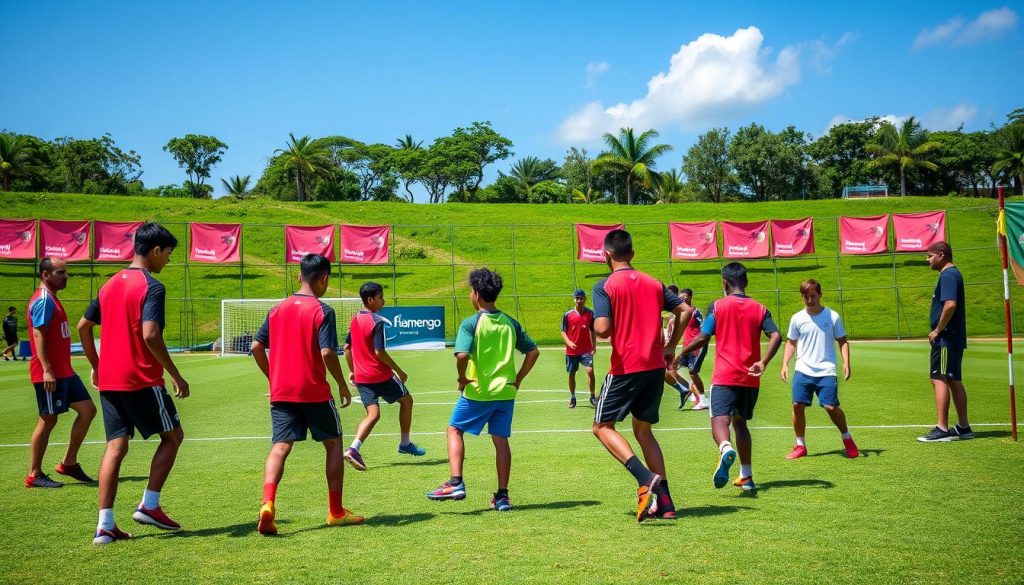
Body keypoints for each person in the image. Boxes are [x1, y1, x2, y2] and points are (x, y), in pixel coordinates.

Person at [78, 222, 190, 545]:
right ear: (155, 251)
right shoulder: (151, 287)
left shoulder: (109, 285)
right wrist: (174, 372)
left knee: (116, 446)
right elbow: (150, 334)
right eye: (168, 254)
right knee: (173, 436)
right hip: (141, 378)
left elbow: (84, 327)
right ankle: (149, 505)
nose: (168, 260)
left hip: (111, 381)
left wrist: (97, 368)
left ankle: (105, 525)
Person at [251, 254, 363, 535]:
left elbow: (255, 346)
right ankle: (336, 512)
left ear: (299, 276)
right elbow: (327, 351)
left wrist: (273, 378)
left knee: (280, 447)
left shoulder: (277, 309)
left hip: (282, 393)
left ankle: (267, 503)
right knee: (334, 444)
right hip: (313, 390)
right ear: (324, 278)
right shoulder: (323, 310)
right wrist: (341, 383)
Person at [591, 230, 692, 522]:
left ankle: (645, 478)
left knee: (601, 426)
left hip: (626, 367)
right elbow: (685, 310)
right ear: (632, 254)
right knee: (643, 431)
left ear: (606, 254)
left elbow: (601, 330)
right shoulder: (654, 283)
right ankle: (667, 503)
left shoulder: (605, 286)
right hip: (654, 368)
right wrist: (671, 347)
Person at [427, 268, 539, 512]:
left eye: (470, 291)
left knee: (454, 430)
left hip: (479, 391)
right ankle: (502, 496)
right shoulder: (510, 322)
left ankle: (456, 482)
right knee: (501, 441)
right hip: (506, 393)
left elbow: (462, 355)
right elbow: (533, 352)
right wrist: (518, 379)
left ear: (476, 294)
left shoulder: (471, 323)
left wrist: (462, 378)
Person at [680, 262, 781, 492]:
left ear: (724, 282)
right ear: (745, 282)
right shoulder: (760, 308)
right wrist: (763, 361)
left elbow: (704, 336)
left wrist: (681, 352)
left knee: (719, 420)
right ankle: (746, 477)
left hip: (725, 376)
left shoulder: (717, 306)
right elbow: (776, 335)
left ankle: (725, 447)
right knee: (741, 423)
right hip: (750, 378)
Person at [25, 257, 97, 488]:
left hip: (65, 371)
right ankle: (34, 474)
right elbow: (38, 334)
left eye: (65, 272)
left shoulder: (53, 299)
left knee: (87, 410)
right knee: (48, 419)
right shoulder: (44, 300)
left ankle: (68, 463)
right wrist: (47, 369)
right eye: (60, 273)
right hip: (50, 372)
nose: (66, 276)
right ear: (46, 275)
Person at [343, 281, 425, 471]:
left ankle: (354, 448)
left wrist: (353, 371)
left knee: (373, 414)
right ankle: (405, 443)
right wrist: (399, 370)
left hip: (363, 378)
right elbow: (380, 352)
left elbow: (347, 348)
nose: (384, 301)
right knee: (407, 401)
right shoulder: (376, 321)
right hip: (380, 376)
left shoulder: (354, 319)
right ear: (370, 300)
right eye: (380, 297)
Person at [779, 279, 858, 459]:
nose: (810, 300)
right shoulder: (797, 318)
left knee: (831, 407)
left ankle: (847, 438)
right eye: (806, 297)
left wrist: (846, 362)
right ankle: (800, 445)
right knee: (797, 405)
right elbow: (791, 342)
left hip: (826, 370)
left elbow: (842, 341)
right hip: (803, 369)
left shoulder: (832, 316)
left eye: (813, 296)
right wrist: (785, 364)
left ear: (820, 295)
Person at [918, 241, 972, 442]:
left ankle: (942, 428)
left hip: (945, 338)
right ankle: (963, 427)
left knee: (938, 377)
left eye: (929, 256)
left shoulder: (948, 275)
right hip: (954, 338)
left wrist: (937, 330)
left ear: (941, 255)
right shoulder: (953, 274)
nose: (927, 260)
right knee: (953, 379)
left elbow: (950, 305)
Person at [561, 289, 597, 408]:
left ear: (585, 300)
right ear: (574, 299)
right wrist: (569, 342)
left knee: (590, 371)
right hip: (572, 351)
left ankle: (592, 397)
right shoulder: (568, 315)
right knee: (572, 373)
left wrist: (594, 346)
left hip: (586, 350)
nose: (579, 300)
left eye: (581, 298)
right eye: (577, 298)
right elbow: (563, 331)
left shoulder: (590, 314)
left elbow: (592, 330)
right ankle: (572, 398)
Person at [676, 288, 708, 411]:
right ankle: (689, 390)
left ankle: (703, 400)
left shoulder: (695, 312)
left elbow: (705, 328)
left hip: (696, 347)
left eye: (684, 296)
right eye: (680, 297)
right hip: (686, 347)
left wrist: (699, 345)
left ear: (690, 297)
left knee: (693, 372)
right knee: (671, 369)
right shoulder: (682, 312)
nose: (682, 299)